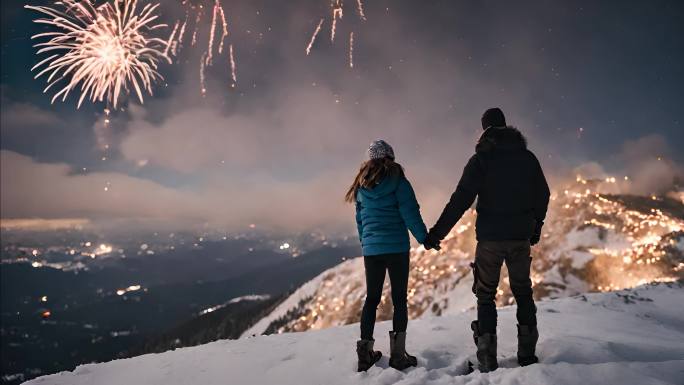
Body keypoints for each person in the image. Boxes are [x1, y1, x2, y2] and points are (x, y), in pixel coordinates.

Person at [423, 108, 550, 372]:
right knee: (523, 293)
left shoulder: (481, 159)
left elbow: (460, 200)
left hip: (490, 240)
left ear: (485, 130)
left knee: (485, 296)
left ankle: (487, 360)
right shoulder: (527, 158)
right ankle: (527, 356)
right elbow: (543, 194)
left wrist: (437, 234)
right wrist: (535, 227)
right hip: (519, 238)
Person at [345, 139, 427, 372]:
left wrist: (367, 243)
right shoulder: (399, 182)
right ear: (390, 157)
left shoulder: (362, 186)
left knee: (372, 299)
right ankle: (398, 356)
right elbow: (411, 213)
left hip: (372, 251)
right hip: (397, 248)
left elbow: (360, 221)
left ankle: (365, 355)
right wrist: (424, 239)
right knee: (399, 299)